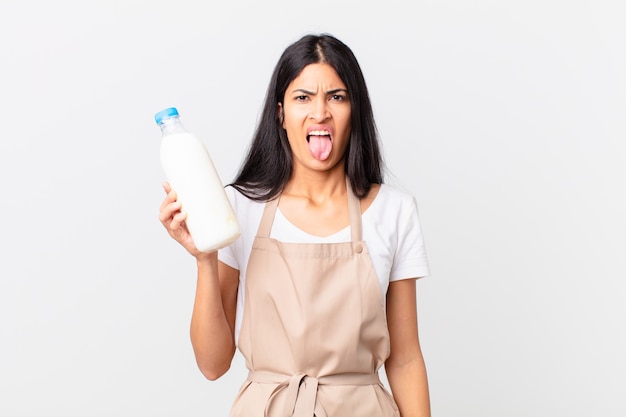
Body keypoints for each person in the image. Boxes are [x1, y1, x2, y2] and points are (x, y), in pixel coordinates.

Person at [159, 33, 431, 417]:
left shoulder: (395, 211)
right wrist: (205, 258)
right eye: (303, 97)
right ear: (280, 113)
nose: (320, 112)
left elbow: (404, 360)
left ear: (355, 111)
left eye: (336, 96)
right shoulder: (238, 206)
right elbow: (213, 364)